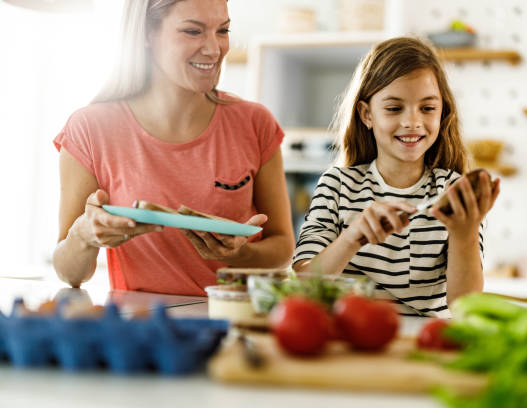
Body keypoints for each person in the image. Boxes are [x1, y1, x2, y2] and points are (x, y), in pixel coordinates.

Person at [52, 0, 294, 295]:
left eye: (223, 30)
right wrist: (84, 235)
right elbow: (70, 273)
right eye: (193, 31)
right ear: (146, 34)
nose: (214, 49)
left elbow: (282, 248)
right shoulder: (89, 129)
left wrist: (239, 254)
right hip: (143, 328)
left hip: (235, 323)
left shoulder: (255, 123)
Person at [293, 37, 500, 317]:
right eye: (394, 108)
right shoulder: (337, 185)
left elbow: (466, 306)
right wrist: (352, 237)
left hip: (422, 345)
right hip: (350, 339)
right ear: (367, 114)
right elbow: (304, 284)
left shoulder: (453, 191)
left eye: (427, 108)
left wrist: (464, 234)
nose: (412, 122)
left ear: (442, 113)